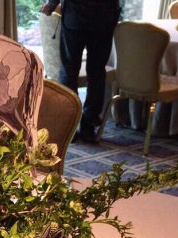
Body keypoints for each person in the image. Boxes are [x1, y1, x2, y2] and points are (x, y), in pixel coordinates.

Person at [41, 0, 121, 142]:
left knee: (69, 71)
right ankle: (88, 126)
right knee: (96, 72)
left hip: (75, 15)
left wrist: (51, 4)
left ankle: (69, 123)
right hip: (104, 17)